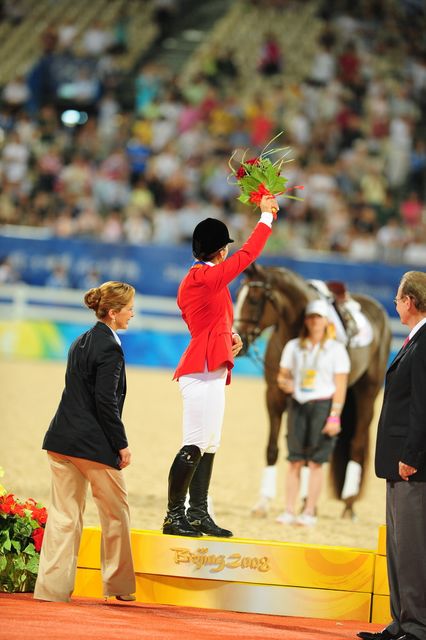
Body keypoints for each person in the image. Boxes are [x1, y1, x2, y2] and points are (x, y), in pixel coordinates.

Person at [162, 194, 279, 537]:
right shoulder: (203, 277)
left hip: (211, 367)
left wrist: (232, 337)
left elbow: (211, 321)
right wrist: (266, 218)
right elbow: (249, 255)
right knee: (194, 443)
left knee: (209, 444)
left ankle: (198, 513)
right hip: (201, 369)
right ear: (221, 250)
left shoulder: (204, 280)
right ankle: (173, 516)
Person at [34, 281, 136, 603]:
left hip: (61, 440)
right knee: (116, 513)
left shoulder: (79, 341)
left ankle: (51, 590)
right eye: (129, 309)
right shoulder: (110, 348)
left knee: (63, 517)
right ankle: (119, 586)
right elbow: (105, 402)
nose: (132, 314)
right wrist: (121, 444)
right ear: (113, 313)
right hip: (92, 446)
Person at [357, 271, 426, 640]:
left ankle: (417, 627)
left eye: (399, 299)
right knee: (398, 545)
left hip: (411, 463)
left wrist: (412, 454)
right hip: (398, 462)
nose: (396, 305)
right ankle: (400, 622)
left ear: (410, 302)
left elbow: (422, 405)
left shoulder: (424, 343)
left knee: (412, 548)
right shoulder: (414, 340)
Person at [276, 298, 350, 526]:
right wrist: (284, 382)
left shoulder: (336, 349)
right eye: (311, 317)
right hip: (298, 404)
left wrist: (335, 415)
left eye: (318, 317)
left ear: (326, 321)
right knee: (294, 460)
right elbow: (282, 375)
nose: (314, 321)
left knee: (317, 462)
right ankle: (289, 510)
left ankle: (309, 512)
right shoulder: (294, 346)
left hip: (323, 406)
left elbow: (340, 385)